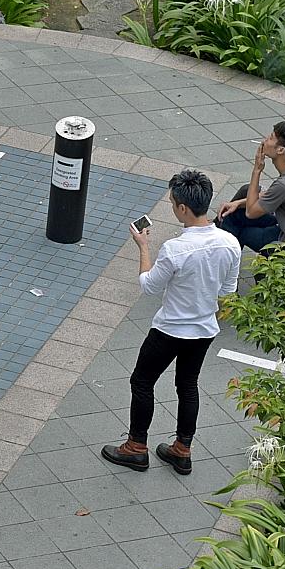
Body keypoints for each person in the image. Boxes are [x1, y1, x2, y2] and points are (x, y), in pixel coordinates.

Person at [103, 170, 241, 475]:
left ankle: (136, 447)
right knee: (188, 385)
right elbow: (227, 291)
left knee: (142, 381)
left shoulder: (176, 248)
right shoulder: (230, 243)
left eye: (171, 201)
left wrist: (142, 247)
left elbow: (149, 286)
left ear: (182, 208)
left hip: (169, 329)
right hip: (204, 330)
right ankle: (182, 449)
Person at [216, 121, 285, 253]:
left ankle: (223, 260)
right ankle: (219, 246)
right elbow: (270, 196)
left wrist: (257, 170)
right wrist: (238, 203)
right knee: (236, 208)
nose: (265, 140)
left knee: (241, 230)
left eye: (270, 138)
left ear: (281, 150)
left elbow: (251, 212)